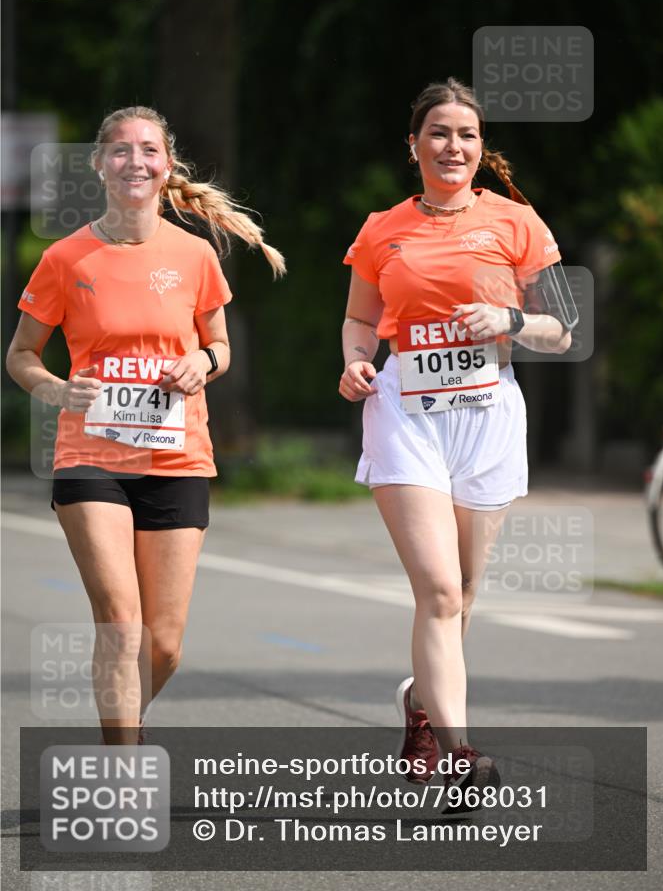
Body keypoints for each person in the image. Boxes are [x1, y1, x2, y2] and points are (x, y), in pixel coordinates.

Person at [6, 106, 285, 745]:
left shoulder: (193, 255)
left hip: (176, 454)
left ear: (167, 166)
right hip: (90, 455)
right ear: (100, 164)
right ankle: (123, 768)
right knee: (120, 622)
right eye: (121, 150)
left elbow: (220, 346)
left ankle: (123, 715)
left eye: (149, 150)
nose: (136, 161)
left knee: (162, 645)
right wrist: (54, 388)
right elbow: (21, 355)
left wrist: (201, 362)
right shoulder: (65, 258)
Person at [339, 79, 577, 803]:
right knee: (439, 591)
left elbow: (562, 328)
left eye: (466, 135)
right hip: (405, 413)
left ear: (480, 147)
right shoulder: (382, 228)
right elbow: (359, 319)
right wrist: (354, 361)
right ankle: (460, 755)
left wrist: (506, 321)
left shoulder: (516, 223)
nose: (453, 146)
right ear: (413, 145)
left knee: (463, 596)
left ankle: (420, 702)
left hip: (488, 417)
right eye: (438, 133)